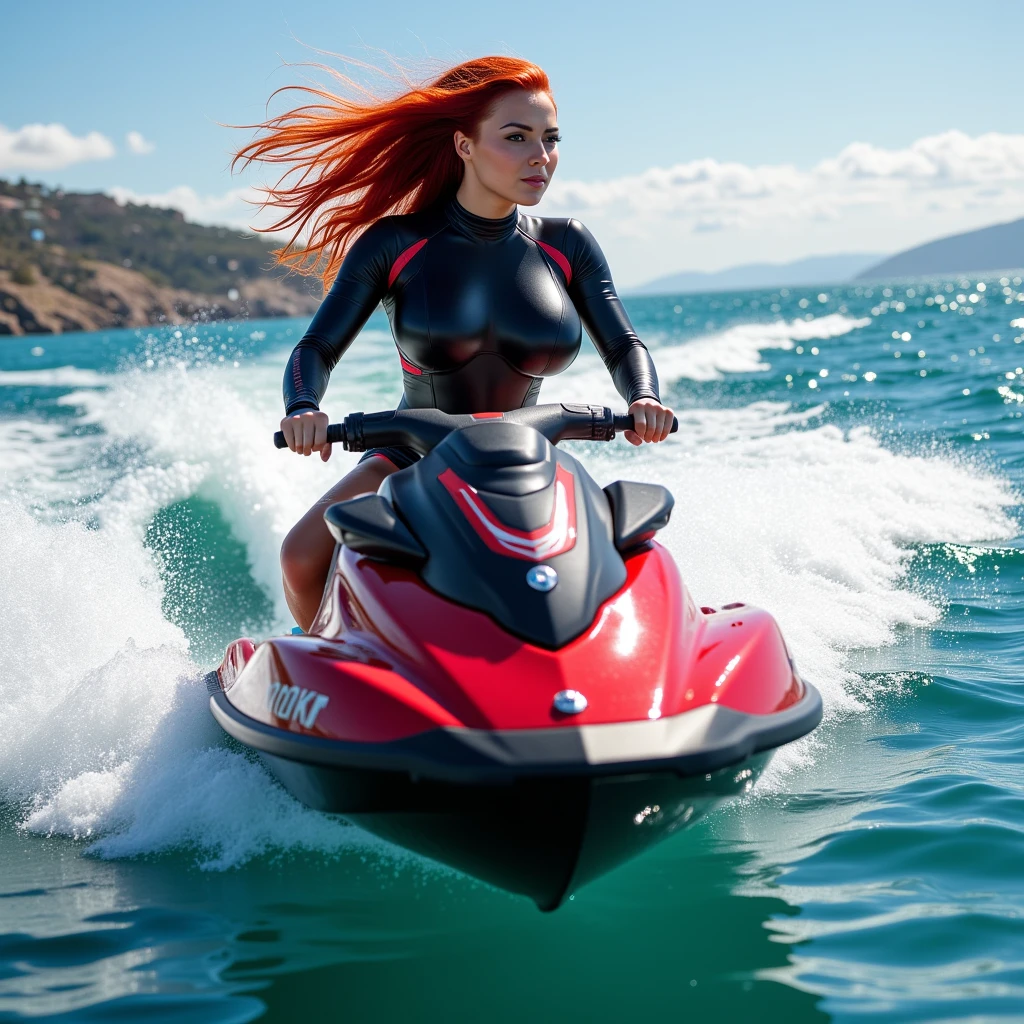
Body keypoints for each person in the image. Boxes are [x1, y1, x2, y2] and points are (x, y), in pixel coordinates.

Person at [234, 56, 675, 630]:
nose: (540, 155)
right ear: (464, 145)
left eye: (550, 138)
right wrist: (303, 408)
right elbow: (316, 347)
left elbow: (623, 346)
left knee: (627, 554)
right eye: (516, 137)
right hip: (410, 453)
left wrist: (643, 397)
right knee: (301, 557)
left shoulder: (568, 243)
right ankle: (328, 652)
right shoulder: (396, 243)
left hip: (527, 457)